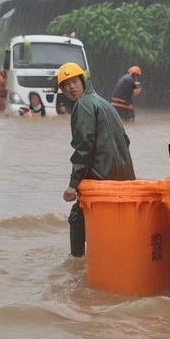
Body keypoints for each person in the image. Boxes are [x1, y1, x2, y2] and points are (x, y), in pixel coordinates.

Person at [58, 62, 136, 257]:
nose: (71, 87)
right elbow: (125, 140)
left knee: (77, 217)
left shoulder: (83, 104)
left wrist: (73, 184)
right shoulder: (104, 102)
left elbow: (84, 146)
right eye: (65, 85)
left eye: (74, 81)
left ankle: (76, 263)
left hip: (101, 176)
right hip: (124, 176)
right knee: (114, 221)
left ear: (83, 80)